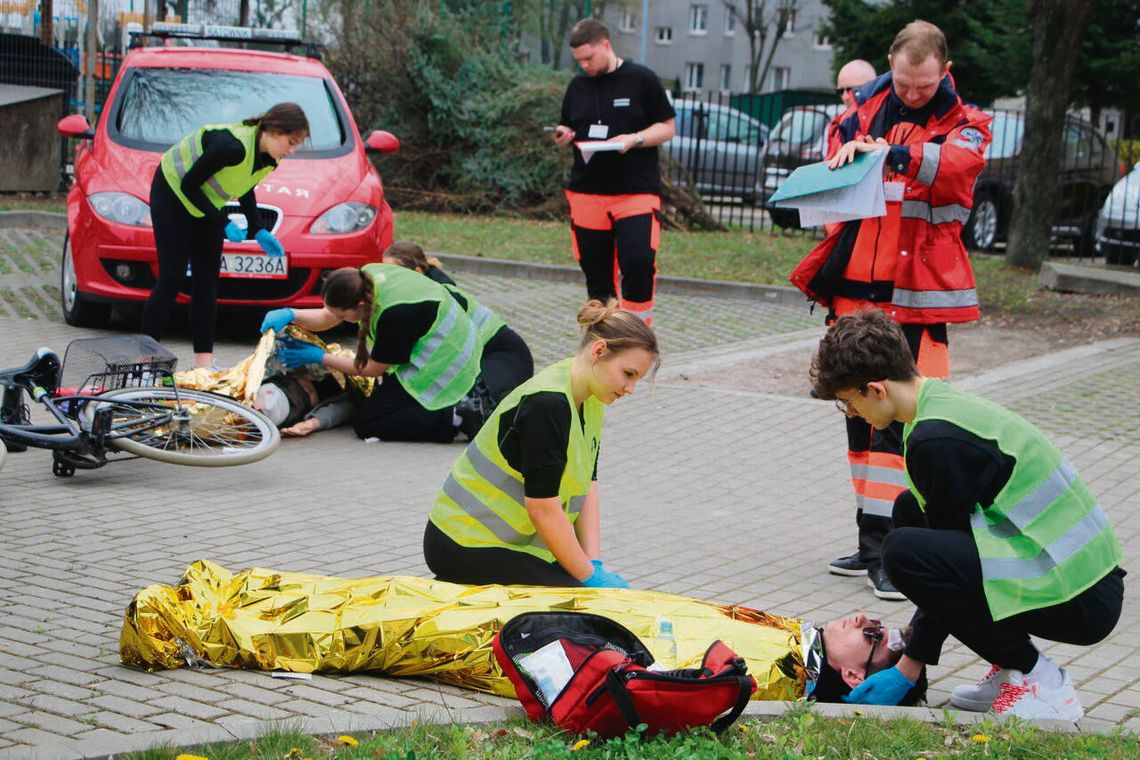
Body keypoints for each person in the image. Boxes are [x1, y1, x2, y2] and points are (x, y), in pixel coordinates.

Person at [811, 310, 1125, 720]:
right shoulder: (934, 409)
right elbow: (949, 559)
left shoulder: (934, 439)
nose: (852, 414)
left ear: (875, 389)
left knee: (903, 553)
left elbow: (941, 579)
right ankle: (1011, 667)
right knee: (910, 511)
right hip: (1076, 576)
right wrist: (913, 651)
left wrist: (909, 665)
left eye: (849, 402)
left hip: (1082, 597)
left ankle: (1041, 682)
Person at [123, 559, 927, 706]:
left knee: (393, 628)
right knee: (400, 593)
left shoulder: (779, 670)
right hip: (539, 606)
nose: (867, 618)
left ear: (855, 677)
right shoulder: (786, 633)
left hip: (539, 640)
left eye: (878, 637)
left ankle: (198, 628)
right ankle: (237, 590)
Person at [789, 20, 992, 600]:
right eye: (904, 82)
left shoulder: (968, 122)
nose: (913, 94)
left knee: (901, 428)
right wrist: (846, 153)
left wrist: (895, 153)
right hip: (855, 287)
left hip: (917, 296)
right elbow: (832, 150)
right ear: (891, 64)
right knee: (856, 418)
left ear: (943, 71)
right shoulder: (863, 106)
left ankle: (892, 547)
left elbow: (955, 167)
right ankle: (870, 541)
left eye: (924, 86)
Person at [425, 299, 657, 588]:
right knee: (585, 603)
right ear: (599, 351)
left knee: (589, 596)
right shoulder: (547, 404)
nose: (630, 389)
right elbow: (543, 507)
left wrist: (593, 563)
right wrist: (589, 578)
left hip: (506, 544)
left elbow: (588, 485)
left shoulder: (591, 395)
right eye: (628, 374)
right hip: (463, 543)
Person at [141, 103, 308, 369]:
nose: (292, 150)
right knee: (171, 279)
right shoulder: (232, 146)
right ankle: (144, 362)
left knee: (206, 284)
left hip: (206, 203)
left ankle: (203, 366)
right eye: (291, 142)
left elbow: (244, 186)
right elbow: (189, 185)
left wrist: (257, 227)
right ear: (274, 130)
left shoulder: (269, 159)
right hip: (173, 192)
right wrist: (224, 222)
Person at [259, 263, 485, 443]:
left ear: (359, 305)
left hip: (446, 360)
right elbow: (328, 316)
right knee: (380, 403)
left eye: (342, 316)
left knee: (369, 421)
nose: (338, 321)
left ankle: (457, 416)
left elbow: (372, 369)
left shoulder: (393, 315)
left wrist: (320, 357)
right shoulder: (364, 279)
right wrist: (292, 313)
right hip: (433, 342)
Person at [551, 19, 676, 325]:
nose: (584, 65)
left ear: (605, 45)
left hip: (635, 192)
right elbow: (569, 124)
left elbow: (668, 127)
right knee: (596, 272)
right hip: (587, 192)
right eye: (579, 60)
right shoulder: (578, 86)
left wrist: (635, 139)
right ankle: (602, 336)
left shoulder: (641, 79)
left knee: (639, 261)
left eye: (589, 58)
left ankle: (636, 333)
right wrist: (563, 134)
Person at [382, 241, 534, 417]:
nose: (387, 279)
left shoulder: (443, 294)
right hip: (472, 360)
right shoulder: (406, 297)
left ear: (417, 273)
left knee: (480, 407)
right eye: (384, 272)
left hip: (500, 355)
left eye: (393, 273)